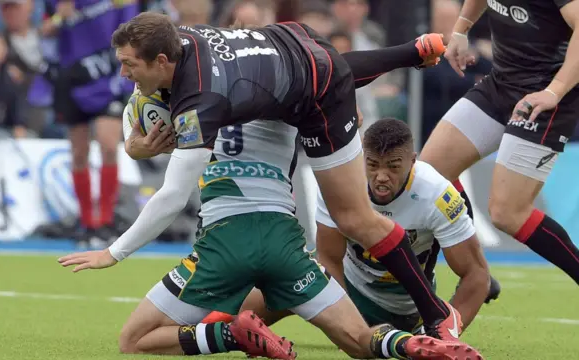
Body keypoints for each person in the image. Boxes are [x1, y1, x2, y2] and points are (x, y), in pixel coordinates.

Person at [58, 13, 484, 359]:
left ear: (164, 64)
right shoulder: (182, 41)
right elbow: (334, 67)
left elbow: (172, 194)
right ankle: (408, 343)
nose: (125, 75)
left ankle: (432, 316)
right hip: (285, 237)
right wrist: (406, 54)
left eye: (130, 65)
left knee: (353, 215)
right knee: (359, 343)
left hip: (230, 239)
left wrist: (113, 252)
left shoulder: (201, 106)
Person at [205, 118, 490, 335]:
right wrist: (347, 324)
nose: (381, 177)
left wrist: (447, 332)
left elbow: (476, 275)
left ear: (412, 162)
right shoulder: (339, 184)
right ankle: (201, 332)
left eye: (393, 166)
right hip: (349, 291)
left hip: (411, 310)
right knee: (249, 303)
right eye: (373, 164)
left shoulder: (437, 194)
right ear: (361, 158)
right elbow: (329, 258)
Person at [419, 0, 579, 284]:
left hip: (544, 99)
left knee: (507, 213)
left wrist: (554, 91)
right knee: (428, 176)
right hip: (500, 84)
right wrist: (460, 29)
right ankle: (476, 274)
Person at [41, 0, 137, 244]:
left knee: (108, 145)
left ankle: (105, 220)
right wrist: (58, 19)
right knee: (79, 152)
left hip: (108, 76)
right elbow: (43, 32)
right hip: (73, 78)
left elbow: (133, 26)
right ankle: (86, 221)